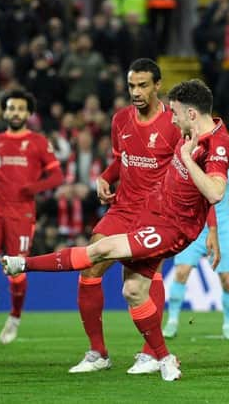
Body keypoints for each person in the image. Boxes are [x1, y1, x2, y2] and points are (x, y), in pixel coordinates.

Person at [2, 79, 229, 381]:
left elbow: (215, 193)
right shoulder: (186, 130)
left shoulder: (216, 143)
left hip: (173, 227)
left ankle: (23, 264)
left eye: (175, 113)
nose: (171, 118)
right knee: (133, 291)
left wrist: (188, 159)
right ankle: (163, 358)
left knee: (102, 249)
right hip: (152, 212)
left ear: (190, 114)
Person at [70, 58, 185, 375]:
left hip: (157, 212)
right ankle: (98, 352)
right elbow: (122, 160)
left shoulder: (174, 125)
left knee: (143, 281)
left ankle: (150, 353)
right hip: (122, 207)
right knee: (90, 265)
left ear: (157, 85)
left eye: (143, 85)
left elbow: (187, 173)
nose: (136, 91)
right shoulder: (121, 119)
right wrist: (105, 176)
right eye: (132, 85)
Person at [0, 89, 63, 343]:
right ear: (4, 111)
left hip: (21, 211)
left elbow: (57, 176)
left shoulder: (39, 142)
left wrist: (33, 188)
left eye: (20, 108)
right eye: (11, 108)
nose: (15, 113)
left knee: (14, 267)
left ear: (28, 114)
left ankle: (15, 316)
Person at [163, 157, 229, 340]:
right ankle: (172, 321)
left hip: (221, 229)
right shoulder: (193, 159)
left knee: (228, 280)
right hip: (193, 226)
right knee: (181, 272)